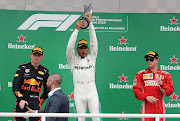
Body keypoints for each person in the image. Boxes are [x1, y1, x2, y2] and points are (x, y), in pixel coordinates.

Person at [66, 12, 102, 121]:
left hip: (92, 91)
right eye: (80, 48)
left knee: (96, 118)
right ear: (77, 49)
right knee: (80, 119)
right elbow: (69, 47)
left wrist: (90, 23)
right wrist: (76, 30)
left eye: (85, 48)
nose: (83, 50)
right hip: (78, 92)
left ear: (87, 49)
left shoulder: (92, 58)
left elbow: (94, 41)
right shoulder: (72, 60)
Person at [133, 51, 174, 121]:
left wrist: (162, 84)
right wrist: (146, 96)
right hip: (146, 110)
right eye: (147, 60)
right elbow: (136, 91)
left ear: (157, 60)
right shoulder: (140, 74)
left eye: (151, 59)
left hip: (160, 109)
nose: (149, 61)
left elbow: (169, 92)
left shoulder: (165, 74)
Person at [12, 47, 50, 121]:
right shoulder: (22, 67)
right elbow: (15, 86)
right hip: (21, 102)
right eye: (34, 55)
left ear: (42, 57)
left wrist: (40, 101)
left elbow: (47, 90)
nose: (36, 57)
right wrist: (21, 99)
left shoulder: (45, 71)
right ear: (31, 55)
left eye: (39, 55)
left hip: (35, 103)